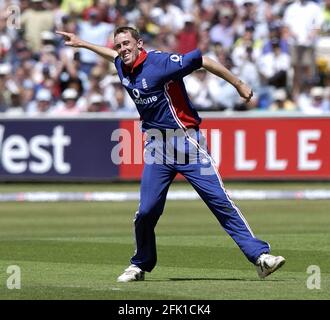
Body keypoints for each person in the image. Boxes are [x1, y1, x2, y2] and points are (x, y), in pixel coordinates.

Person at [56, 26, 286, 282]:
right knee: (146, 211)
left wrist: (239, 84)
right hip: (157, 148)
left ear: (139, 44)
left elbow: (203, 59)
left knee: (220, 202)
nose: (123, 49)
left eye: (127, 44)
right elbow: (111, 56)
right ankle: (139, 264)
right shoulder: (122, 63)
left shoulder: (161, 63)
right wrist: (83, 43)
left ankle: (260, 257)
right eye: (118, 45)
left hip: (187, 143)